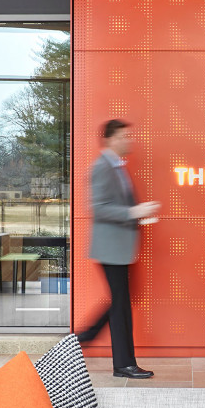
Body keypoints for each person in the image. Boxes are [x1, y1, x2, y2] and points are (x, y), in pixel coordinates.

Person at [76, 119, 160, 379]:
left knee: (120, 301)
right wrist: (134, 211)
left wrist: (139, 215)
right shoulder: (101, 167)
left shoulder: (118, 167)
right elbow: (98, 207)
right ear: (111, 139)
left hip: (119, 248)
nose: (129, 140)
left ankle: (84, 337)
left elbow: (117, 205)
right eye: (125, 136)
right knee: (120, 304)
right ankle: (123, 364)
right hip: (111, 248)